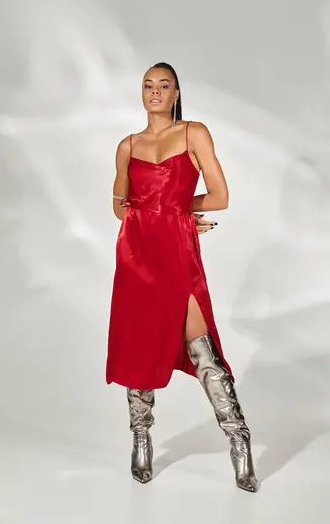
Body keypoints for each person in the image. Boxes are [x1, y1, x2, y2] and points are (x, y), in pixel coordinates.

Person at [106, 62, 259, 493]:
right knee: (139, 347)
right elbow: (120, 206)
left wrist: (180, 212)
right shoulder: (127, 145)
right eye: (148, 85)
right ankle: (141, 436)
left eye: (164, 86)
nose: (155, 92)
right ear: (142, 93)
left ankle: (239, 439)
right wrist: (157, 215)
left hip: (176, 254)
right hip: (137, 258)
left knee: (203, 350)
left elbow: (221, 196)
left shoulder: (194, 132)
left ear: (176, 94)